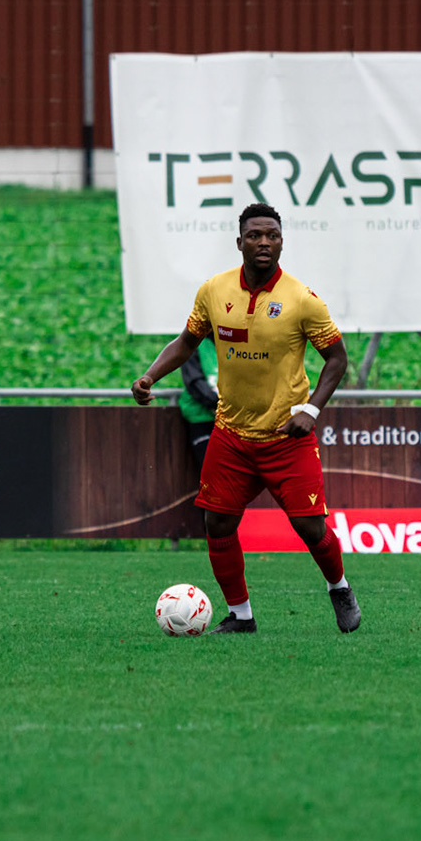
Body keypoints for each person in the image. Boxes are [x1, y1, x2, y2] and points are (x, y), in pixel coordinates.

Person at [131, 203, 359, 633]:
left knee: (311, 529)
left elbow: (337, 360)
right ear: (240, 242)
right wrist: (149, 375)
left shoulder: (302, 300)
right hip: (232, 433)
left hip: (285, 436)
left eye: (272, 235)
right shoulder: (214, 291)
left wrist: (311, 409)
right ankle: (241, 616)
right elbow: (186, 342)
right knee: (217, 522)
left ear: (281, 242)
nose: (264, 242)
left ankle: (339, 587)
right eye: (255, 235)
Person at [175, 339, 219, 470]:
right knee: (211, 471)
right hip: (203, 419)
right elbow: (194, 383)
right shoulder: (194, 343)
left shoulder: (239, 342)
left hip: (233, 420)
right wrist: (217, 404)